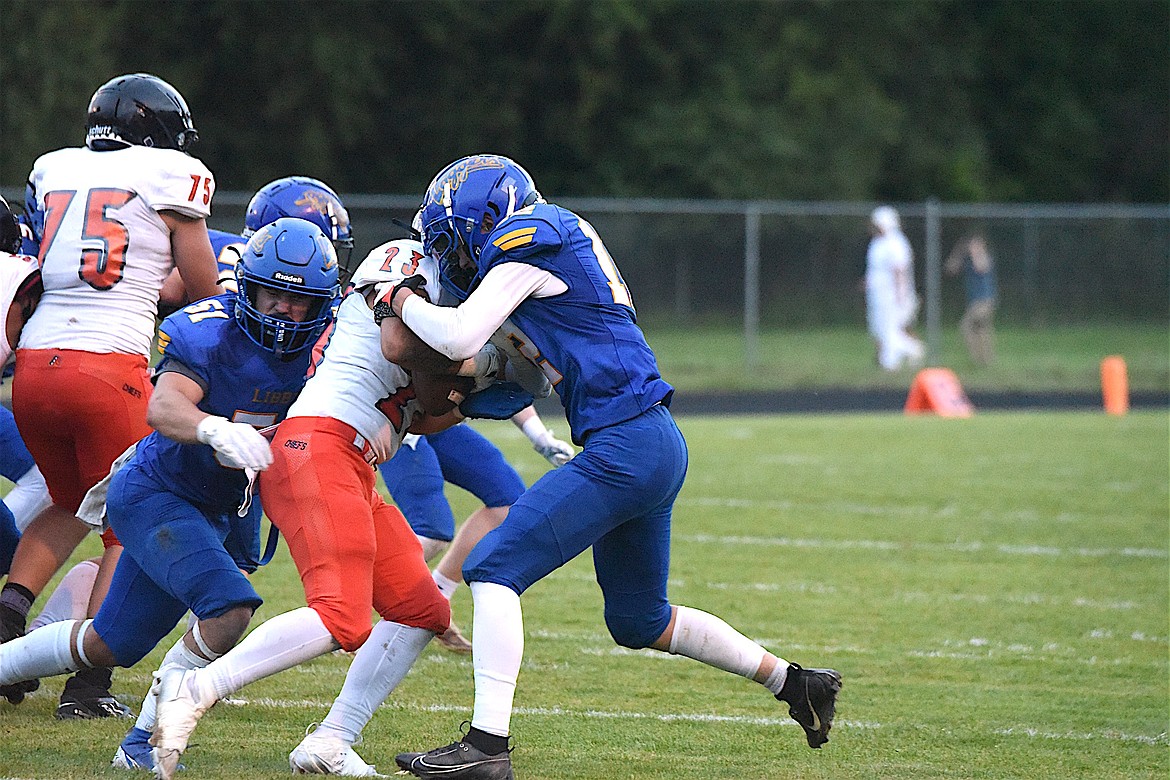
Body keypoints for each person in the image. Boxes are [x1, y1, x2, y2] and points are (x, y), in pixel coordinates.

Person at [385, 155, 842, 779]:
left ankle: (486, 749)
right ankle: (795, 684)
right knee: (638, 619)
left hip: (626, 444)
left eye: (451, 236)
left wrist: (400, 298)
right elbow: (502, 375)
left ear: (483, 217)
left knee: (491, 569)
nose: (453, 254)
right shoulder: (537, 264)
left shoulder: (535, 233)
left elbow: (461, 334)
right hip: (648, 441)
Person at [148, 237, 517, 779]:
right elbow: (402, 346)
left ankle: (331, 740)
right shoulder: (407, 261)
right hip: (317, 446)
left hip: (350, 458)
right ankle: (196, 689)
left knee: (422, 611)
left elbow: (423, 413)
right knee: (341, 616)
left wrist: (469, 393)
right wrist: (485, 361)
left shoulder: (459, 300)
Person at [0, 217, 339, 777]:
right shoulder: (208, 329)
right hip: (159, 489)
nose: (284, 311)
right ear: (248, 286)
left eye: (300, 301)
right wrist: (211, 428)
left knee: (111, 643)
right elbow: (164, 407)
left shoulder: (328, 348)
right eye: (272, 294)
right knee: (228, 609)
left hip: (219, 503)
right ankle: (143, 740)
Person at [1, 72, 222, 716]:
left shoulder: (52, 168)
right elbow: (202, 284)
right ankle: (88, 685)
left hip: (35, 366)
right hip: (109, 365)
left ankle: (9, 616)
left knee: (70, 502)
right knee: (125, 524)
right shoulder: (171, 174)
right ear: (154, 132)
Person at [381, 408, 574, 654]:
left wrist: (540, 436)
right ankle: (344, 604)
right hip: (401, 420)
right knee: (432, 529)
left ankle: (437, 595)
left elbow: (511, 380)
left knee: (508, 502)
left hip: (439, 422)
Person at [865, 205, 924, 372]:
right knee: (880, 328)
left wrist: (901, 295)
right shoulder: (877, 242)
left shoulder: (896, 242)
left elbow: (899, 270)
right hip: (878, 293)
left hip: (891, 293)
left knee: (891, 328)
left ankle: (897, 358)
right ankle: (893, 358)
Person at [945, 230, 997, 365]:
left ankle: (979, 359)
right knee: (982, 330)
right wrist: (959, 251)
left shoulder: (984, 257)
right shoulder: (967, 260)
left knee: (966, 326)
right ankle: (985, 360)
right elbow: (950, 268)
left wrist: (976, 252)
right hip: (974, 301)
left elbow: (981, 268)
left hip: (984, 301)